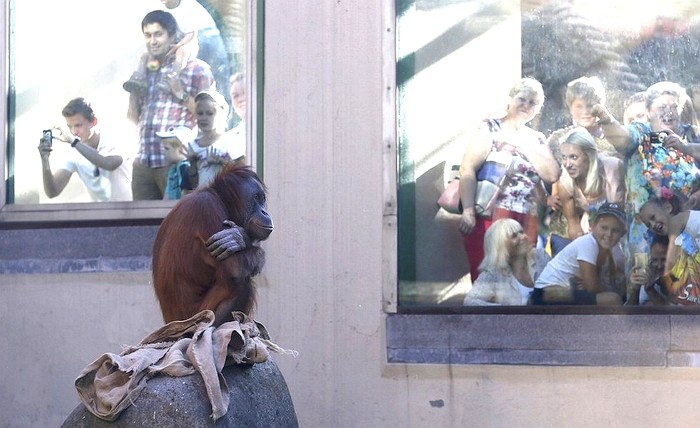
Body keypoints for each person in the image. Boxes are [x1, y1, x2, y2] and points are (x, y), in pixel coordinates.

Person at [458, 77, 560, 281]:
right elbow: (467, 168)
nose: (526, 105)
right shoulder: (490, 128)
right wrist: (468, 210)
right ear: (510, 99)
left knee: (519, 276)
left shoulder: (536, 138)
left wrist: (522, 142)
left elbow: (552, 174)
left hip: (525, 218)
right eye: (522, 99)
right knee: (489, 276)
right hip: (490, 215)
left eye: (533, 103)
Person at [592, 81, 700, 270]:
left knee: (683, 288)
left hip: (687, 230)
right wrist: (606, 120)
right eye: (662, 107)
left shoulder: (692, 135)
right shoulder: (641, 132)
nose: (669, 111)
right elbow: (622, 137)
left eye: (674, 106)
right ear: (649, 111)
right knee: (643, 285)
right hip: (645, 232)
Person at [128, 10, 214, 200]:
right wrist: (134, 93)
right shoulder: (146, 70)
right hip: (143, 163)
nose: (153, 41)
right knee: (141, 227)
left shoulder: (197, 69)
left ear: (172, 36)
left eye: (158, 34)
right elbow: (133, 118)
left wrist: (180, 93)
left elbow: (211, 118)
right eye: (148, 35)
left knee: (177, 225)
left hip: (177, 162)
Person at [547, 127, 625, 256]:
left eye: (573, 157)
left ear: (589, 155)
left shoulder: (612, 167)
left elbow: (618, 210)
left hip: (620, 226)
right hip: (591, 227)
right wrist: (582, 250)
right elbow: (573, 224)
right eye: (564, 157)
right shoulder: (565, 182)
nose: (567, 164)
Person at [37, 97, 133, 202]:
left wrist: (74, 143)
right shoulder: (74, 151)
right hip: (100, 215)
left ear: (93, 122)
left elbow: (110, 164)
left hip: (130, 211)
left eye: (78, 125)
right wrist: (45, 159)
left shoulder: (113, 137)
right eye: (69, 126)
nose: (73, 132)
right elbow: (52, 192)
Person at [531, 202, 627, 305]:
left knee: (611, 297)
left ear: (622, 233)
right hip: (547, 293)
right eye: (604, 228)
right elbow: (592, 287)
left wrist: (596, 284)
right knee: (612, 299)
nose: (609, 234)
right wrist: (596, 284)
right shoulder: (588, 243)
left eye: (615, 230)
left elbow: (599, 285)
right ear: (592, 226)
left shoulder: (611, 251)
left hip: (565, 291)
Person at [463, 219, 550, 306]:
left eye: (522, 232)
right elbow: (470, 302)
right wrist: (505, 311)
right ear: (500, 245)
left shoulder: (540, 256)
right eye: (514, 236)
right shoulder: (493, 273)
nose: (523, 237)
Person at [637, 193, 700, 305]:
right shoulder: (682, 228)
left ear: (668, 207)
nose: (653, 225)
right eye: (648, 225)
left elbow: (670, 263)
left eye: (653, 217)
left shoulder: (680, 223)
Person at [188, 89, 246, 188]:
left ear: (221, 114)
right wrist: (192, 163)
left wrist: (224, 163)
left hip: (224, 199)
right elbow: (192, 184)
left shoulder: (230, 141)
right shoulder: (193, 145)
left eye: (210, 113)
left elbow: (244, 174)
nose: (204, 118)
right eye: (200, 113)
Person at [626, 234, 671, 305]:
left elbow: (673, 313)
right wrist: (636, 289)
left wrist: (650, 290)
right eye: (655, 260)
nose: (659, 266)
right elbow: (629, 314)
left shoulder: (681, 281)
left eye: (664, 260)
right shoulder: (647, 274)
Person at [157, 125, 195, 200]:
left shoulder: (185, 168)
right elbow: (167, 196)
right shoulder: (173, 169)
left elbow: (185, 195)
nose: (163, 152)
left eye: (167, 148)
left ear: (181, 149)